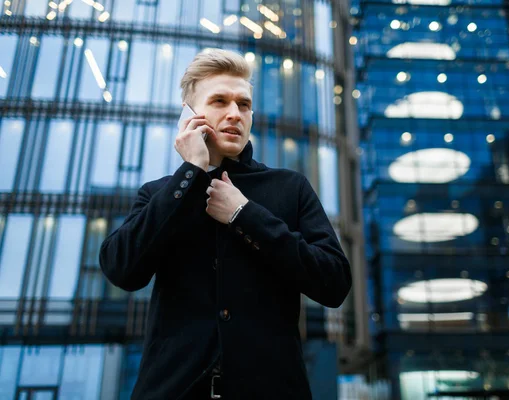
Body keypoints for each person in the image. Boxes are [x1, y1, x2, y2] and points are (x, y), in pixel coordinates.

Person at [99, 49, 352, 400]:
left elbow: (334, 283)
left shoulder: (290, 187)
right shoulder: (159, 194)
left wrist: (244, 214)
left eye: (244, 104)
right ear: (190, 113)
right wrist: (191, 173)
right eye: (219, 101)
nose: (235, 114)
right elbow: (122, 269)